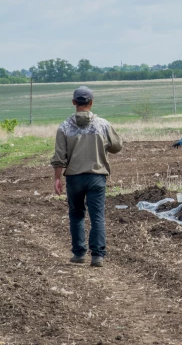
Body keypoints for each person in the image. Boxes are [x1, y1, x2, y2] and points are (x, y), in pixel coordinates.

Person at [51, 86, 123, 267]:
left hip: (74, 178)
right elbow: (117, 147)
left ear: (74, 103)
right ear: (91, 102)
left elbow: (60, 158)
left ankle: (78, 253)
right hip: (96, 177)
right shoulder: (103, 125)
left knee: (76, 215)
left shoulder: (64, 127)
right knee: (97, 215)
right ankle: (97, 256)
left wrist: (57, 179)